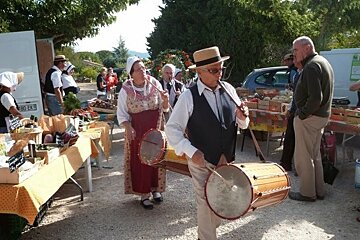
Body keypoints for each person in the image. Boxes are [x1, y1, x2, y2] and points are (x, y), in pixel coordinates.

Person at [165, 46, 249, 240]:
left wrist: (243, 116)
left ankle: (210, 227)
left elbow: (243, 124)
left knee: (218, 199)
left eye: (221, 69)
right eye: (214, 70)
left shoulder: (229, 89)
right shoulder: (188, 96)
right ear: (200, 72)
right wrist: (190, 151)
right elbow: (172, 129)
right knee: (204, 202)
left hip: (225, 160)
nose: (219, 74)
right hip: (201, 162)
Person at [117, 56, 170, 210]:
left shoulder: (155, 83)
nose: (143, 71)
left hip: (155, 129)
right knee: (141, 162)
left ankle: (156, 190)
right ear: (131, 73)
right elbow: (121, 114)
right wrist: (127, 127)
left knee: (157, 159)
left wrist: (165, 100)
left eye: (143, 68)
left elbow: (164, 108)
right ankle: (144, 194)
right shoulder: (126, 89)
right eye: (138, 69)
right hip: (138, 131)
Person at [289, 36, 334, 202]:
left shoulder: (312, 65)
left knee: (304, 157)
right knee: (314, 155)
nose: (294, 53)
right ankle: (319, 190)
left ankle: (307, 193)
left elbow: (316, 98)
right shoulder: (322, 61)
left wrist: (302, 114)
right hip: (319, 117)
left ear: (307, 47)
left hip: (310, 118)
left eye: (296, 49)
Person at [280, 60, 303, 172]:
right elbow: (295, 95)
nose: (294, 61)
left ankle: (291, 164)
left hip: (298, 112)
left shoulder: (301, 73)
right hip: (294, 110)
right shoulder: (297, 72)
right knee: (289, 139)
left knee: (293, 140)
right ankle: (286, 163)